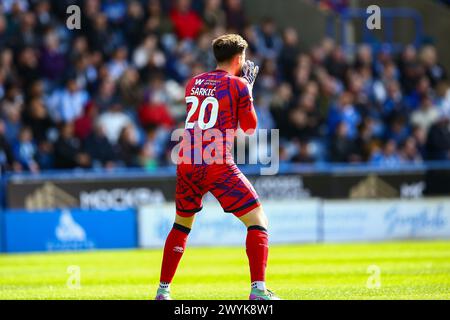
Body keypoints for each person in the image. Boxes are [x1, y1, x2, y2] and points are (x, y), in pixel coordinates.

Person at [155, 34, 279, 300]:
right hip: (216, 161)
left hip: (187, 159)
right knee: (258, 220)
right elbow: (249, 127)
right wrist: (248, 91)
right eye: (244, 58)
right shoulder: (238, 86)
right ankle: (258, 290)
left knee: (181, 225)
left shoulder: (193, 82)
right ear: (238, 58)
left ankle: (163, 291)